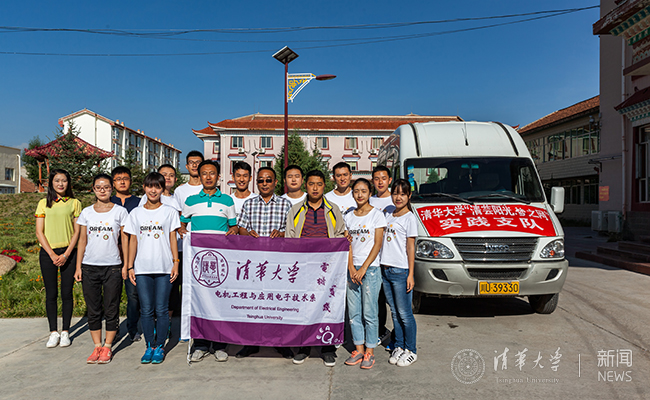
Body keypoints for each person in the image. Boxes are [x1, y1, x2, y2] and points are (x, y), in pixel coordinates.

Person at [285, 170, 346, 367]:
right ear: (306, 186)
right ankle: (304, 347)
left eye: (319, 184)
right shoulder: (296, 210)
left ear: (324, 186)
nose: (315, 188)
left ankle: (327, 348)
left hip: (327, 268)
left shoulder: (333, 209)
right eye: (311, 184)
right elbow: (289, 237)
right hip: (303, 267)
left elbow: (339, 234)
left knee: (327, 306)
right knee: (304, 307)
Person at [180, 160, 238, 363]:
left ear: (218, 177)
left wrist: (233, 231)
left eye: (212, 173)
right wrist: (182, 231)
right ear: (199, 176)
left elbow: (234, 226)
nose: (208, 177)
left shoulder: (228, 201)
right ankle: (201, 345)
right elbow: (182, 224)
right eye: (204, 173)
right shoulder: (191, 201)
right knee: (199, 302)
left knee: (219, 302)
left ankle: (220, 345)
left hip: (221, 262)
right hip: (198, 263)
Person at [236, 166, 293, 359]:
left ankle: (280, 342)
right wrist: (248, 234)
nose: (264, 183)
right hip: (255, 263)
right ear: (256, 183)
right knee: (253, 303)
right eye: (261, 180)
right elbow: (241, 228)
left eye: (268, 180)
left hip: (278, 264)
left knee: (277, 303)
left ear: (275, 182)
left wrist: (282, 234)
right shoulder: (249, 204)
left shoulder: (285, 204)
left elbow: (291, 232)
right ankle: (251, 343)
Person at [124, 172, 180, 364]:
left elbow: (172, 238)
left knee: (162, 309)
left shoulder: (169, 212)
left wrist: (175, 262)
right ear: (144, 188)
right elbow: (133, 240)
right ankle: (150, 346)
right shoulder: (136, 213)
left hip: (164, 267)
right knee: (146, 310)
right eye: (150, 186)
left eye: (157, 186)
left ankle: (160, 347)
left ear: (162, 189)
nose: (153, 190)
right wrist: (130, 266)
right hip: (142, 268)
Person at [74, 174, 129, 364]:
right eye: (98, 187)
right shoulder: (87, 212)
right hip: (89, 267)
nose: (102, 190)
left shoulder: (120, 211)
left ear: (112, 189)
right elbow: (82, 241)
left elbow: (124, 240)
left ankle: (108, 346)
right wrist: (78, 267)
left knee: (112, 307)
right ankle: (97, 345)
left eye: (106, 186)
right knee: (93, 308)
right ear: (93, 189)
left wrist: (125, 265)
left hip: (113, 267)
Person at [35, 169, 82, 348]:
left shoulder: (75, 203)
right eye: (57, 180)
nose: (60, 184)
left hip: (68, 253)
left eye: (64, 180)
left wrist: (66, 254)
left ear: (68, 183)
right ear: (51, 183)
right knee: (51, 293)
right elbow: (39, 232)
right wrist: (53, 254)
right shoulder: (43, 203)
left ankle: (65, 332)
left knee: (67, 293)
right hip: (48, 253)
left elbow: (77, 231)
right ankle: (53, 332)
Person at [343, 178, 387, 369]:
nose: (359, 195)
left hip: (370, 270)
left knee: (369, 312)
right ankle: (358, 349)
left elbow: (377, 244)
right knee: (353, 313)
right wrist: (352, 268)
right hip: (352, 270)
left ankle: (370, 351)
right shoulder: (348, 216)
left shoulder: (377, 215)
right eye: (356, 191)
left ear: (370, 193)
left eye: (363, 191)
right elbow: (347, 244)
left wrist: (363, 268)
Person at [380, 179, 418, 367]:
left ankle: (411, 350)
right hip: (385, 269)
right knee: (394, 312)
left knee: (405, 313)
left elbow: (411, 247)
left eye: (403, 194)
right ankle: (399, 346)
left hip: (401, 271)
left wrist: (411, 274)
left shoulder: (410, 218)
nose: (398, 197)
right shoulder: (388, 213)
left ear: (409, 196)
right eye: (395, 193)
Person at [140, 164, 182, 320]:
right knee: (151, 296)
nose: (167, 177)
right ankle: (153, 323)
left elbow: (178, 226)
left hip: (173, 252)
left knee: (170, 292)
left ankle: (167, 322)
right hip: (151, 254)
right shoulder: (147, 198)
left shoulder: (176, 199)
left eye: (171, 175)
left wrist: (176, 260)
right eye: (164, 174)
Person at [110, 166, 142, 343]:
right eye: (118, 179)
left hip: (134, 255)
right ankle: (113, 329)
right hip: (112, 255)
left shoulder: (139, 202)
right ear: (113, 183)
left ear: (130, 181)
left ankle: (132, 328)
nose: (122, 182)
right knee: (112, 296)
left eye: (125, 178)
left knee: (133, 295)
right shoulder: (108, 201)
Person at [369, 165, 394, 347]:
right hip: (374, 259)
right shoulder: (369, 201)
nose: (380, 182)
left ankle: (398, 338)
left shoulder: (396, 200)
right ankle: (380, 330)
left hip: (393, 259)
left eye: (383, 178)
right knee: (377, 299)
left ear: (389, 180)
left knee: (394, 301)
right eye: (376, 178)